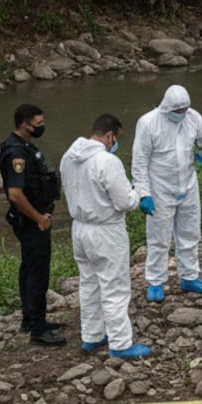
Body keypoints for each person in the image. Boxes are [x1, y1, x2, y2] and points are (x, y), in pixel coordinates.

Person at [59, 114, 149, 360]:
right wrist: (138, 191)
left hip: (79, 228)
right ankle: (120, 343)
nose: (115, 143)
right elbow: (124, 202)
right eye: (115, 138)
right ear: (109, 136)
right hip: (106, 230)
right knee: (115, 286)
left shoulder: (69, 156)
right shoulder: (107, 161)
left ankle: (92, 335)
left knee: (89, 284)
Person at [132, 84, 202, 302]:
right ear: (167, 108)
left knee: (190, 233)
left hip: (188, 186)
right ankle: (155, 281)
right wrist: (143, 193)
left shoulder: (193, 118)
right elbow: (139, 162)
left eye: (184, 110)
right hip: (160, 188)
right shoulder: (148, 123)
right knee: (159, 238)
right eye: (177, 111)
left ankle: (189, 276)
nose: (181, 114)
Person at [0, 103, 65, 346]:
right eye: (38, 124)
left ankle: (30, 319)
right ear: (24, 125)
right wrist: (39, 218)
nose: (41, 127)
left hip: (31, 218)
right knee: (37, 272)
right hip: (32, 221)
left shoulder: (20, 146)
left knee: (29, 269)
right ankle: (38, 327)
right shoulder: (16, 153)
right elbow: (15, 194)